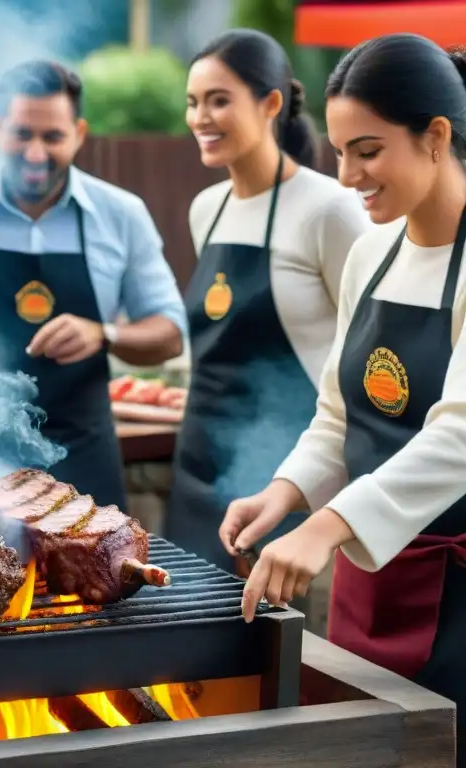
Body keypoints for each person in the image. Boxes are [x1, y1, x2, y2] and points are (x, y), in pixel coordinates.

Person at [221, 34, 466, 762]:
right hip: (371, 583)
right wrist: (285, 493)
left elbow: (458, 436)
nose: (348, 174)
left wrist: (325, 527)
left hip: (456, 597)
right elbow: (340, 415)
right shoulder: (372, 251)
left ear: (435, 138)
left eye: (367, 150)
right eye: (337, 152)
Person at [0, 60, 186, 511]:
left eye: (53, 137)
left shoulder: (122, 215)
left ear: (80, 133)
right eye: (22, 134)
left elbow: (170, 332)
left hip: (83, 457)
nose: (35, 154)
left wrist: (105, 334)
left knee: (91, 578)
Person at [164, 29, 372, 572]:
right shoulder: (205, 209)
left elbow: (366, 349)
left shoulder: (329, 210)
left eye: (218, 100)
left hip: (288, 475)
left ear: (271, 104)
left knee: (269, 651)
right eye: (192, 102)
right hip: (197, 464)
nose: (200, 117)